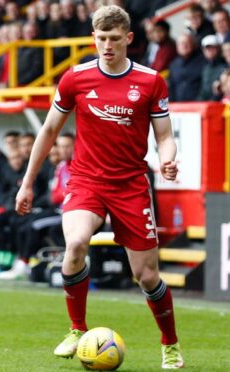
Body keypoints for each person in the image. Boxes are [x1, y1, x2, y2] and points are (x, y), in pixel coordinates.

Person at [15, 5, 183, 369]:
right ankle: (77, 329)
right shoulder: (75, 79)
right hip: (87, 180)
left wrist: (168, 158)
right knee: (75, 243)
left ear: (129, 39)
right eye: (101, 39)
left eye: (114, 39)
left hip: (131, 185)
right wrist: (27, 183)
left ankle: (169, 343)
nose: (107, 46)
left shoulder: (150, 81)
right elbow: (48, 132)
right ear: (94, 38)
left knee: (146, 275)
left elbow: (165, 135)